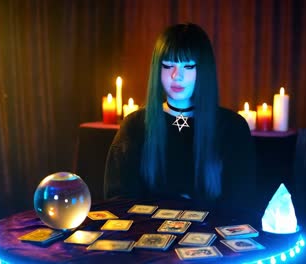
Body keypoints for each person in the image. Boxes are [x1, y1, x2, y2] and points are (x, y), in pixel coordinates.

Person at [104, 23, 258, 209]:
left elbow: (242, 205)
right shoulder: (135, 126)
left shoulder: (232, 127)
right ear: (157, 70)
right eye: (168, 66)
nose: (177, 76)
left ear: (203, 69)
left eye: (188, 66)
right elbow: (118, 201)